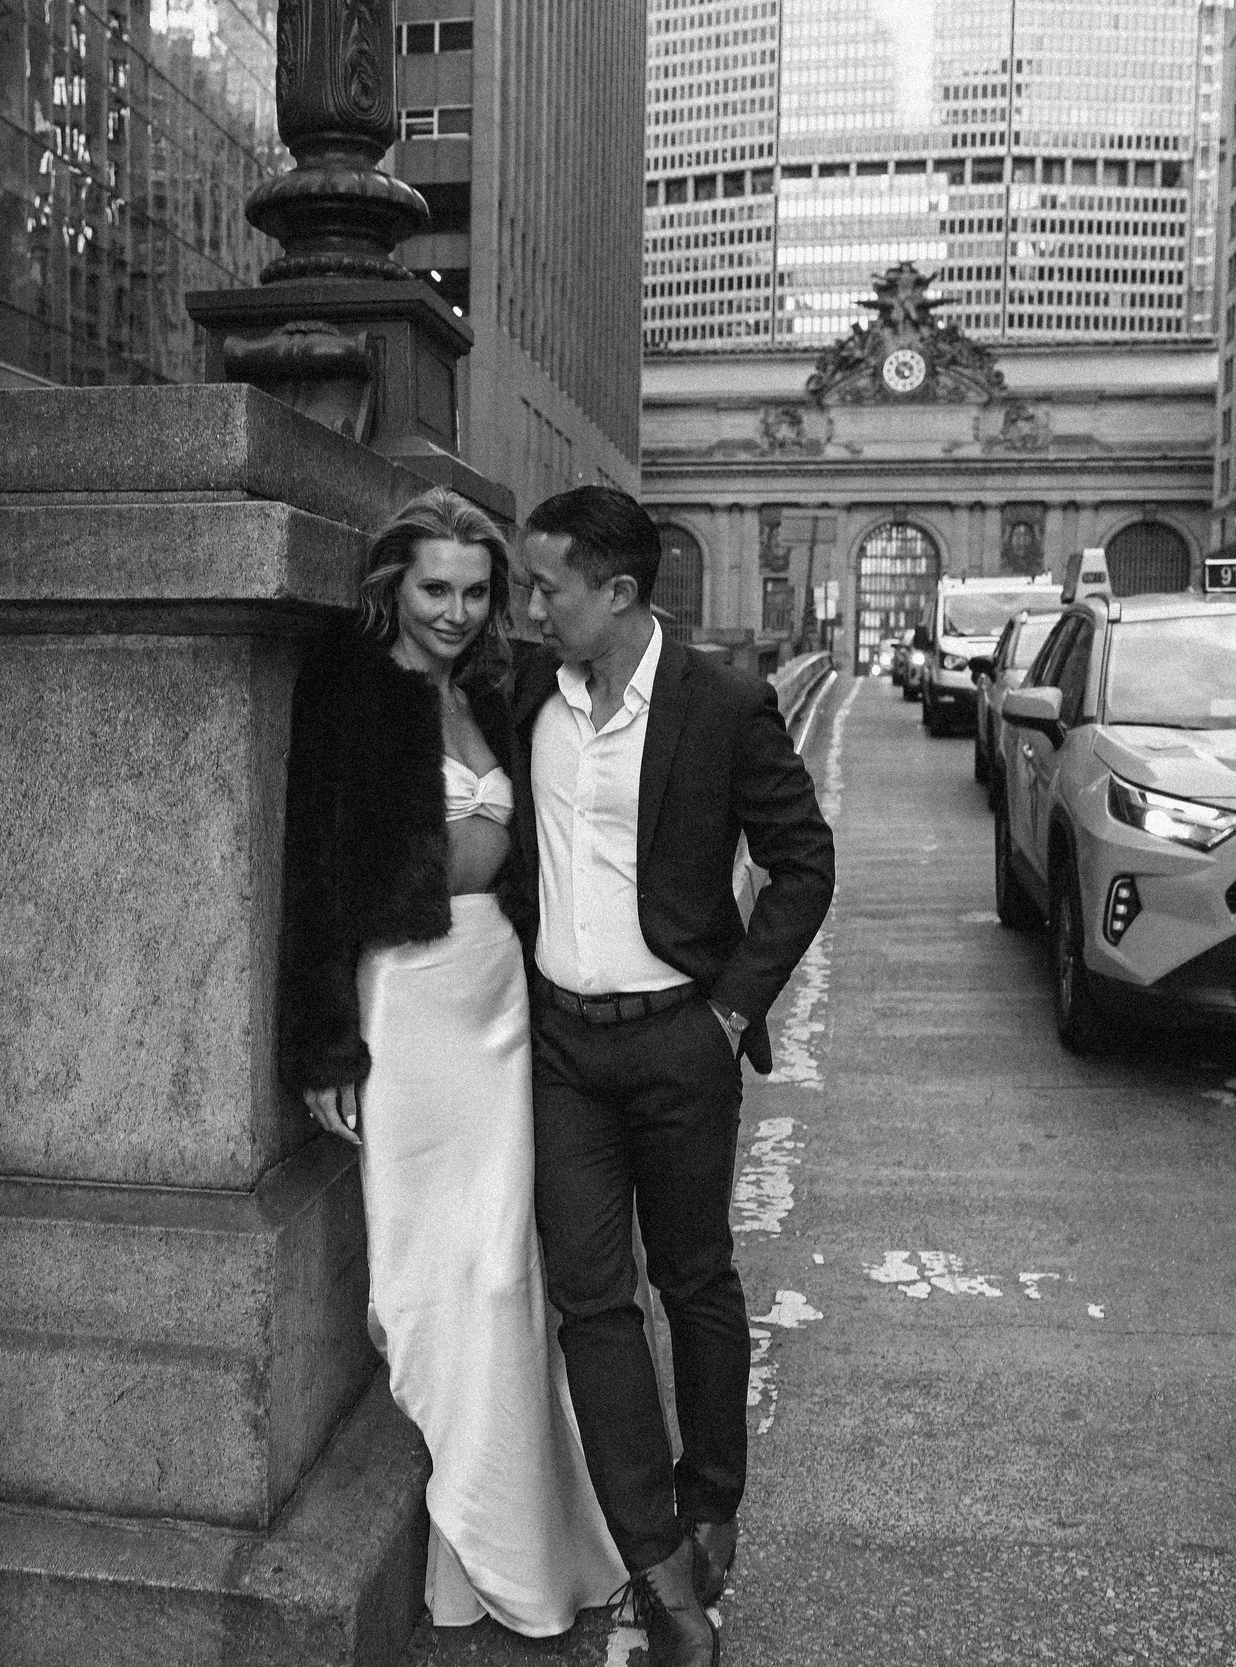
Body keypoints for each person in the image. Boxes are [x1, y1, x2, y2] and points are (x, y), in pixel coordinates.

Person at [277, 486, 627, 1636]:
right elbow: (313, 876)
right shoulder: (346, 690)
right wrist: (324, 1040)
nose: (458, 611)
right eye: (436, 588)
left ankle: (509, 1551)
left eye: (478, 593)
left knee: (505, 1264)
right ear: (392, 584)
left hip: (500, 994)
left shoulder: (494, 686)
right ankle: (477, 1536)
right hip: (410, 1002)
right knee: (440, 1278)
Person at [506, 486, 835, 1667]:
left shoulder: (724, 701)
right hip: (559, 1049)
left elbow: (802, 862)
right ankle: (656, 1567)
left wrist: (730, 1009)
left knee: (695, 1281)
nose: (527, 606)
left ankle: (711, 1505)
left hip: (679, 1042)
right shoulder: (524, 696)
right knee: (593, 1300)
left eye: (546, 587)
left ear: (619, 594)